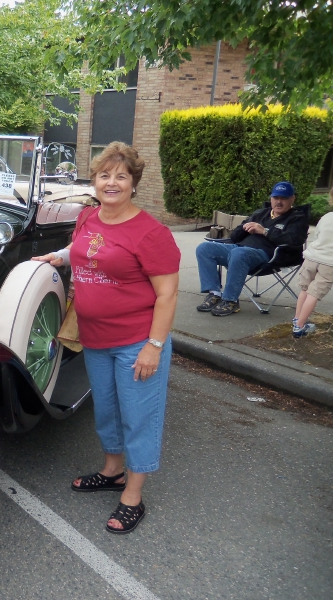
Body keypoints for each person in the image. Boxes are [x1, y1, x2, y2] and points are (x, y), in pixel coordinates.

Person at [32, 142, 180, 534]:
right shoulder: (88, 216)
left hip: (137, 342)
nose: (111, 183)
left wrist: (154, 346)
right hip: (95, 338)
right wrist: (59, 256)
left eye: (121, 176)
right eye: (104, 175)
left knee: (138, 417)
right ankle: (112, 471)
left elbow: (167, 295)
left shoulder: (152, 234)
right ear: (94, 181)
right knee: (108, 411)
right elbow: (81, 248)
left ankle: (133, 494)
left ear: (134, 183)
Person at [196, 181, 309, 316]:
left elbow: (294, 240)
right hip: (239, 248)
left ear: (292, 199)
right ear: (271, 198)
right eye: (276, 198)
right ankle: (214, 294)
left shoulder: (297, 218)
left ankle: (230, 300)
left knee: (239, 253)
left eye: (283, 198)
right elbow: (235, 237)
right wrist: (244, 228)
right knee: (205, 248)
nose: (279, 202)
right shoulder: (260, 214)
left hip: (268, 255)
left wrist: (265, 231)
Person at [293, 189, 333, 337]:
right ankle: (300, 326)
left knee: (305, 289)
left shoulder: (326, 217)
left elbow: (318, 234)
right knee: (314, 294)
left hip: (311, 257)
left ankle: (297, 318)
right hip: (329, 263)